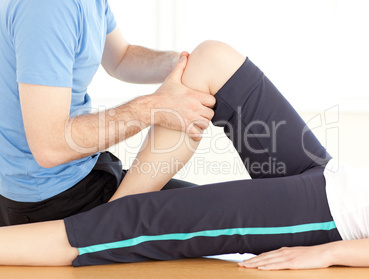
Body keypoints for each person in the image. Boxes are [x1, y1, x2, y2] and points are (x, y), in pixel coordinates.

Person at [1, 37, 369, 270]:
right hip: (333, 176)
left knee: (152, 220)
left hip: (332, 217)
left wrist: (329, 253)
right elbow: (120, 56)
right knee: (213, 59)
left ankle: (111, 225)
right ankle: (113, 218)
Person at [0, 0, 215, 225]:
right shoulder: (50, 7)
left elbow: (120, 58)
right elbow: (50, 146)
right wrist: (157, 107)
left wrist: (180, 64)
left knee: (213, 206)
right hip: (53, 202)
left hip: (77, 177)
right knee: (217, 214)